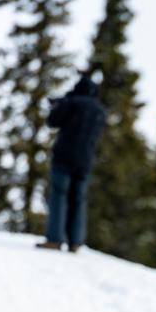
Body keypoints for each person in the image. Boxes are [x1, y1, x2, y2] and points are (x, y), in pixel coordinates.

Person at [37, 73, 105, 252]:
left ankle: (54, 239)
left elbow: (52, 121)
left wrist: (58, 105)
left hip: (64, 157)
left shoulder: (73, 103)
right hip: (85, 161)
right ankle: (75, 242)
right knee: (78, 200)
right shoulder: (100, 111)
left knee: (59, 196)